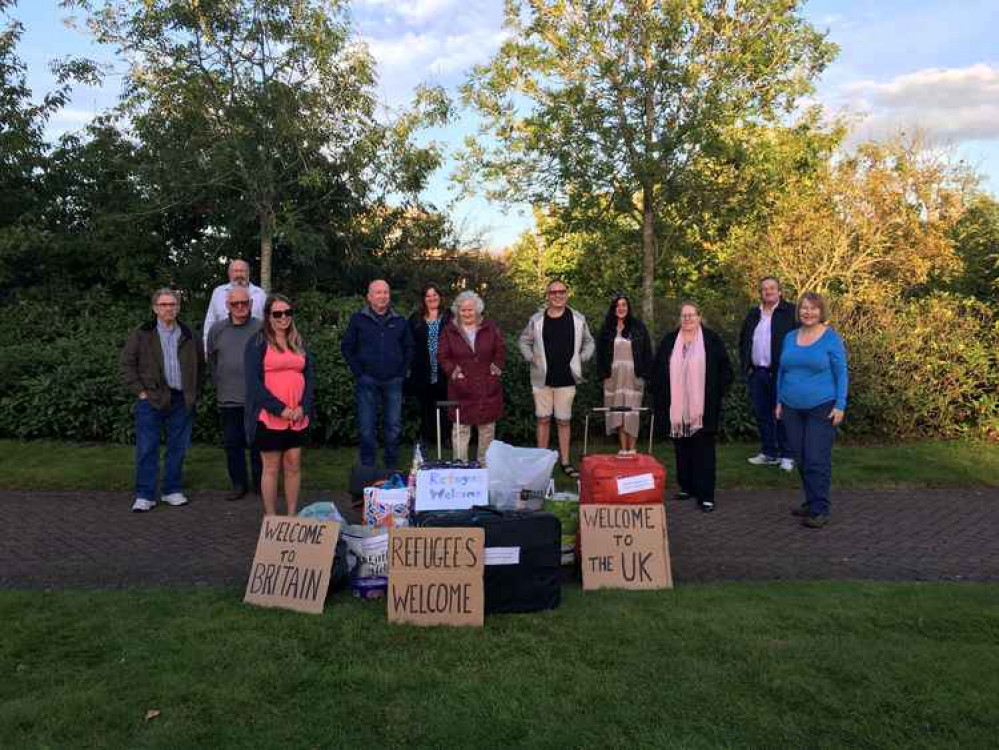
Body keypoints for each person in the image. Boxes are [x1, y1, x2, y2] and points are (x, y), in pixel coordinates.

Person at [119, 288, 204, 512]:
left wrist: (194, 393)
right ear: (155, 308)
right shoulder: (142, 333)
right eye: (164, 305)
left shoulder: (189, 334)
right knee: (147, 448)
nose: (169, 308)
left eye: (172, 304)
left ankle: (172, 490)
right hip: (152, 399)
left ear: (178, 307)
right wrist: (141, 392)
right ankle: (145, 494)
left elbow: (201, 367)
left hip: (181, 399)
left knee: (178, 447)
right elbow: (126, 365)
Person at [651, 302, 733, 513]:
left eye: (691, 315)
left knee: (704, 450)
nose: (687, 319)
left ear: (699, 317)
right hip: (677, 407)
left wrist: (716, 394)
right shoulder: (670, 340)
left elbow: (725, 369)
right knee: (681, 447)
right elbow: (658, 369)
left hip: (703, 408)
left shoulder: (711, 340)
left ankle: (706, 495)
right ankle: (687, 487)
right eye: (684, 315)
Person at [776, 292, 848, 529]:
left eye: (813, 308)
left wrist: (840, 405)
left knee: (816, 458)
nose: (808, 312)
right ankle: (811, 500)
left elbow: (841, 373)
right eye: (804, 308)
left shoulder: (831, 338)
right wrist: (778, 401)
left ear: (821, 312)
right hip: (790, 406)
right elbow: (782, 371)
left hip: (822, 406)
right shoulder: (789, 337)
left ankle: (820, 509)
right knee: (801, 457)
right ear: (799, 311)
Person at [244, 295, 314, 516]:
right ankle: (271, 518)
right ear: (268, 316)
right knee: (271, 468)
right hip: (270, 416)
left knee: (293, 465)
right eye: (277, 313)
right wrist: (280, 409)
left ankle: (292, 515)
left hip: (297, 417)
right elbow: (254, 384)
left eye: (287, 312)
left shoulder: (298, 342)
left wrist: (303, 406)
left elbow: (310, 378)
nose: (283, 317)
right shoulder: (257, 343)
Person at [518, 279, 595, 479]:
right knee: (543, 420)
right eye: (553, 292)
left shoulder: (578, 319)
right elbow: (524, 341)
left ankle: (566, 461)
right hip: (541, 379)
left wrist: (582, 357)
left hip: (567, 379)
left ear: (567, 294)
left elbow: (589, 342)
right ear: (548, 295)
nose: (558, 295)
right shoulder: (536, 319)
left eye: (561, 291)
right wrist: (530, 356)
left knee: (563, 421)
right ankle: (541, 461)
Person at [341, 279, 414, 468]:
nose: (382, 296)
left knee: (393, 427)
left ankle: (391, 468)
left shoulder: (400, 320)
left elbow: (409, 348)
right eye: (378, 292)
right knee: (366, 428)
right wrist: (359, 372)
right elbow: (348, 347)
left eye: (386, 293)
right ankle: (368, 468)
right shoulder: (358, 319)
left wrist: (401, 372)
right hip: (367, 381)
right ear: (369, 297)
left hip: (393, 381)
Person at [207, 285, 262, 501]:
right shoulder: (217, 330)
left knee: (258, 444)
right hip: (228, 399)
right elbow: (212, 359)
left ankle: (260, 485)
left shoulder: (261, 328)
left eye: (244, 303)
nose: (240, 307)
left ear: (250, 304)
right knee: (233, 445)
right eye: (235, 303)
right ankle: (238, 485)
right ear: (227, 305)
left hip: (257, 399)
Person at [438, 291, 506, 463]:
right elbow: (443, 356)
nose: (467, 313)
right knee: (461, 429)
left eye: (471, 310)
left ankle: (485, 469)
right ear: (457, 311)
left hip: (487, 386)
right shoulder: (449, 331)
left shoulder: (491, 328)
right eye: (463, 310)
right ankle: (461, 469)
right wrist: (456, 374)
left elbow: (500, 352)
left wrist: (494, 373)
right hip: (461, 387)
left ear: (478, 310)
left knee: (487, 430)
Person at [738, 276, 798, 471]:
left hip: (781, 373)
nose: (768, 291)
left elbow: (801, 340)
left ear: (780, 291)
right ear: (761, 292)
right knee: (763, 415)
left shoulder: (790, 312)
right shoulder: (754, 314)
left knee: (782, 414)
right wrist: (745, 366)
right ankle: (769, 452)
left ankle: (787, 454)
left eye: (772, 288)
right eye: (764, 289)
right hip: (758, 373)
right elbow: (743, 340)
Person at [596, 294, 652, 454]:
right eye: (618, 305)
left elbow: (647, 351)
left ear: (628, 308)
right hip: (613, 377)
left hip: (634, 376)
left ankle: (632, 448)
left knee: (632, 412)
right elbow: (600, 354)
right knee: (618, 411)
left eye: (624, 305)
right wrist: (603, 373)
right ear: (614, 309)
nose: (621, 308)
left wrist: (645, 373)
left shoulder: (638, 327)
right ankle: (623, 448)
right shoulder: (606, 329)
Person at [407, 283, 452, 451]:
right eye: (428, 296)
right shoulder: (415, 318)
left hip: (444, 370)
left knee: (445, 404)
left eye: (435, 295)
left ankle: (446, 437)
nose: (432, 298)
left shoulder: (450, 317)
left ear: (440, 297)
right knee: (426, 406)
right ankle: (427, 437)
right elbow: (409, 343)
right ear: (423, 299)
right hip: (423, 370)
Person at [203, 259, 266, 352]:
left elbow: (267, 323)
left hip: (254, 346)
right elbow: (210, 323)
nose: (239, 275)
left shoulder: (260, 294)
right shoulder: (218, 293)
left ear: (248, 273)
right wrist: (206, 350)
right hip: (224, 347)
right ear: (229, 274)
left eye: (242, 271)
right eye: (235, 271)